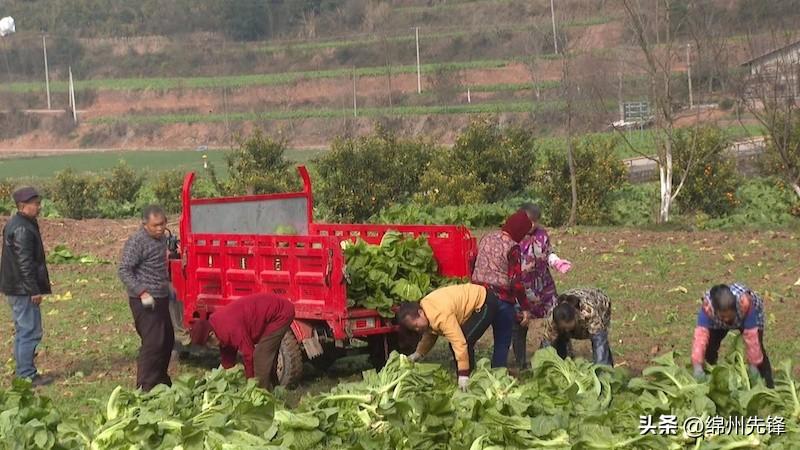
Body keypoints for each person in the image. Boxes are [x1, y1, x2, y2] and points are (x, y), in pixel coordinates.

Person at [397, 283, 499, 392]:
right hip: (471, 302)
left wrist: (463, 373)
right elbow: (430, 335)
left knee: (465, 340)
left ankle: (467, 378)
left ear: (420, 313)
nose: (417, 329)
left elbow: (459, 342)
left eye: (416, 325)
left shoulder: (439, 315)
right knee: (457, 342)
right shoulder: (426, 310)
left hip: (484, 301)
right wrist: (419, 353)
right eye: (414, 329)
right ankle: (464, 377)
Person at [1, 187, 53, 386]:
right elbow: (25, 263)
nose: (39, 207)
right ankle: (27, 375)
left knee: (23, 329)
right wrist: (33, 290)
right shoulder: (22, 228)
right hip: (23, 289)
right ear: (23, 206)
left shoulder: (18, 223)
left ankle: (24, 372)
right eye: (36, 204)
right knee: (30, 331)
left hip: (15, 287)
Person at [189, 292, 295, 391]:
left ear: (211, 334)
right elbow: (227, 352)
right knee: (266, 355)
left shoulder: (229, 328)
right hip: (270, 313)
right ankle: (273, 388)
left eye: (208, 343)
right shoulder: (216, 325)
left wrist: (250, 383)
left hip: (280, 314)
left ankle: (261, 395)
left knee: (260, 356)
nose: (210, 346)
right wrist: (225, 375)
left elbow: (249, 354)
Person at [118, 205, 174, 391]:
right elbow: (124, 270)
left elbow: (158, 265)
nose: (160, 228)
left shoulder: (162, 239)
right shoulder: (137, 241)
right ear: (145, 224)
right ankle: (145, 387)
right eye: (155, 225)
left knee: (167, 340)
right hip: (144, 301)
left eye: (162, 224)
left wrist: (168, 286)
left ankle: (161, 380)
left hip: (162, 297)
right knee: (153, 343)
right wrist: (142, 292)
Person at [512, 203, 572, 370]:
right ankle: (520, 363)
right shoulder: (513, 237)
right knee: (520, 324)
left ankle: (553, 355)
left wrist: (556, 262)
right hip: (522, 289)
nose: (532, 225)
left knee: (557, 318)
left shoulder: (542, 235)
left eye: (535, 222)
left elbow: (548, 253)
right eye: (529, 221)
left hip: (543, 286)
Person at [471, 210, 532, 368]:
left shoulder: (487, 237)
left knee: (470, 334)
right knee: (503, 337)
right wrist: (525, 308)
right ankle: (497, 371)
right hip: (500, 299)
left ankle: (465, 368)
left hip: (477, 295)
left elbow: (474, 261)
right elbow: (515, 282)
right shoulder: (513, 247)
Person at [691, 283, 774, 388]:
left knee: (758, 348)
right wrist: (697, 364)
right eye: (723, 316)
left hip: (748, 316)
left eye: (729, 316)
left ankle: (768, 384)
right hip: (717, 321)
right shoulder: (708, 308)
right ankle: (711, 378)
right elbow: (700, 337)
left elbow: (752, 337)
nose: (727, 319)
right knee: (709, 348)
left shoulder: (745, 303)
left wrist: (754, 364)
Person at [540, 287, 613, 365]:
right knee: (559, 337)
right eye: (564, 328)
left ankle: (606, 371)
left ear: (575, 317)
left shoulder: (588, 312)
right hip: (572, 305)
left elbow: (599, 343)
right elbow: (546, 344)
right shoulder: (552, 318)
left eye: (568, 327)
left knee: (599, 340)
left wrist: (601, 366)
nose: (567, 330)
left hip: (599, 303)